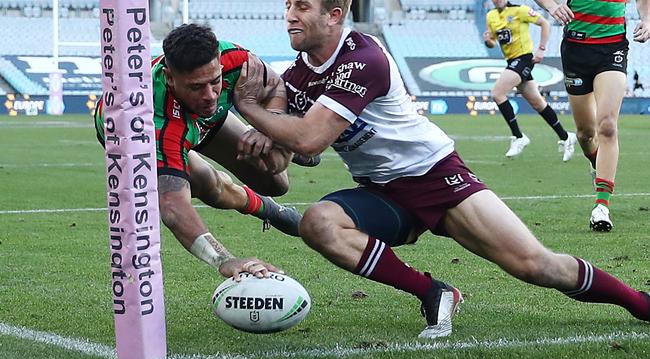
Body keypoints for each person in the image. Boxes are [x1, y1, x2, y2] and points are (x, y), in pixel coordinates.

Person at [233, 0, 650, 338]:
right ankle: (435, 293)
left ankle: (640, 303)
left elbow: (309, 139)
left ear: (335, 14)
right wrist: (264, 141)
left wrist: (251, 110)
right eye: (287, 5)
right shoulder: (298, 76)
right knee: (319, 224)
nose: (289, 15)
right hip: (381, 190)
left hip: (436, 177)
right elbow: (296, 158)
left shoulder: (364, 58)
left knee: (537, 266)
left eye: (302, 6)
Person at [95, 24, 302, 280]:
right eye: (196, 87)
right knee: (209, 186)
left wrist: (272, 124)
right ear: (171, 78)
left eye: (215, 82)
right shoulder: (154, 124)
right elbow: (173, 208)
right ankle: (264, 208)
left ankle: (279, 178)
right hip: (143, 131)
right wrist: (224, 260)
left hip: (201, 119)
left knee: (275, 182)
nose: (210, 95)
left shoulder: (235, 60)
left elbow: (275, 88)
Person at [534, 0, 650, 231]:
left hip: (612, 49)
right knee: (585, 134)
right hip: (576, 50)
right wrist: (551, 6)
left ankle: (601, 206)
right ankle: (597, 163)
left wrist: (647, 19)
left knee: (607, 125)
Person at [483, 0, 577, 160]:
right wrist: (488, 41)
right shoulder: (491, 16)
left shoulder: (520, 10)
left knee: (498, 93)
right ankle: (566, 137)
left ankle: (519, 137)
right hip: (511, 61)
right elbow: (493, 41)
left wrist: (541, 49)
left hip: (524, 58)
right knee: (538, 103)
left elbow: (544, 23)